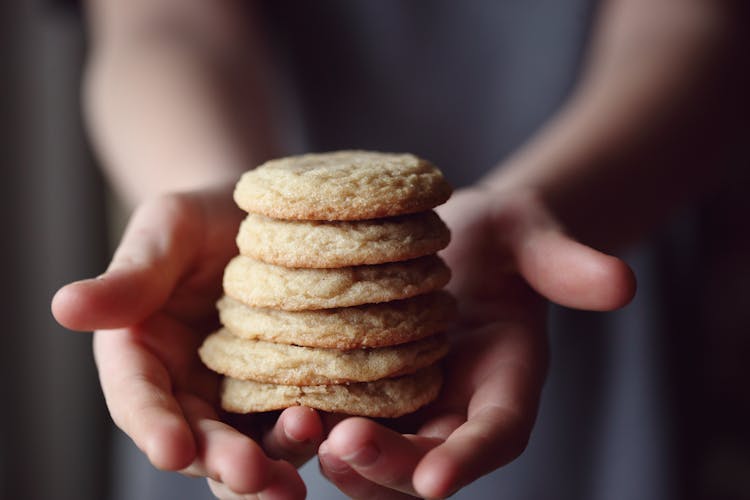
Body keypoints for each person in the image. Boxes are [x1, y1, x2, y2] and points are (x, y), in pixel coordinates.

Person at [52, 1, 748, 499]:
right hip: (225, 333)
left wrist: (550, 207)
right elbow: (160, 20)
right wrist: (206, 190)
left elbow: (698, 26)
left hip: (585, 260)